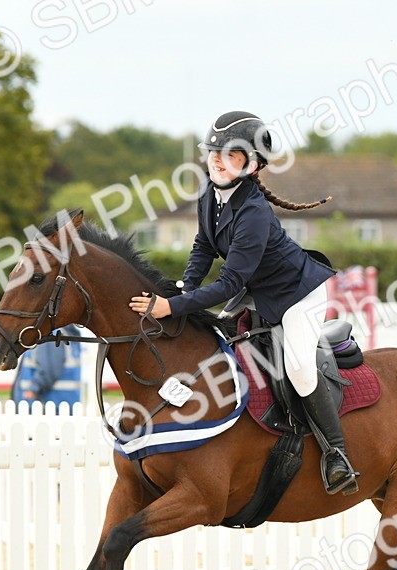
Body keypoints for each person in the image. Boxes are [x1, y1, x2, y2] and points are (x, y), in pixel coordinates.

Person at [128, 110, 358, 495]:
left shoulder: (253, 212)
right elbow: (203, 246)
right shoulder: (209, 194)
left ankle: (338, 455)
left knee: (300, 368)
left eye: (229, 154)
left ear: (250, 165)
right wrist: (185, 286)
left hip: (297, 294)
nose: (216, 159)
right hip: (255, 289)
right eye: (212, 151)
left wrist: (171, 307)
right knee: (213, 342)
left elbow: (229, 281)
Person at [11, 325, 84, 411]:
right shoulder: (67, 333)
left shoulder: (52, 335)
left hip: (49, 405)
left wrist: (33, 390)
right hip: (62, 403)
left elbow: (49, 371)